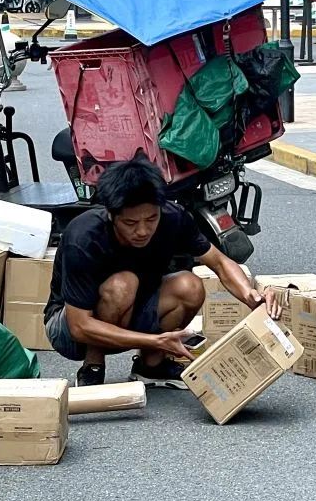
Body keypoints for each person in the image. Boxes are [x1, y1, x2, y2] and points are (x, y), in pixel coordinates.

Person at [45, 158, 279, 389]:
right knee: (123, 284)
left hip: (132, 313)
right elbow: (79, 326)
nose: (143, 230)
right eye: (130, 222)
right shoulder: (83, 236)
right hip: (70, 330)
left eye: (151, 218)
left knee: (190, 286)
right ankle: (93, 366)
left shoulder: (173, 217)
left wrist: (250, 294)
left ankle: (151, 366)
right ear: (110, 215)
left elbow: (219, 262)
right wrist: (156, 339)